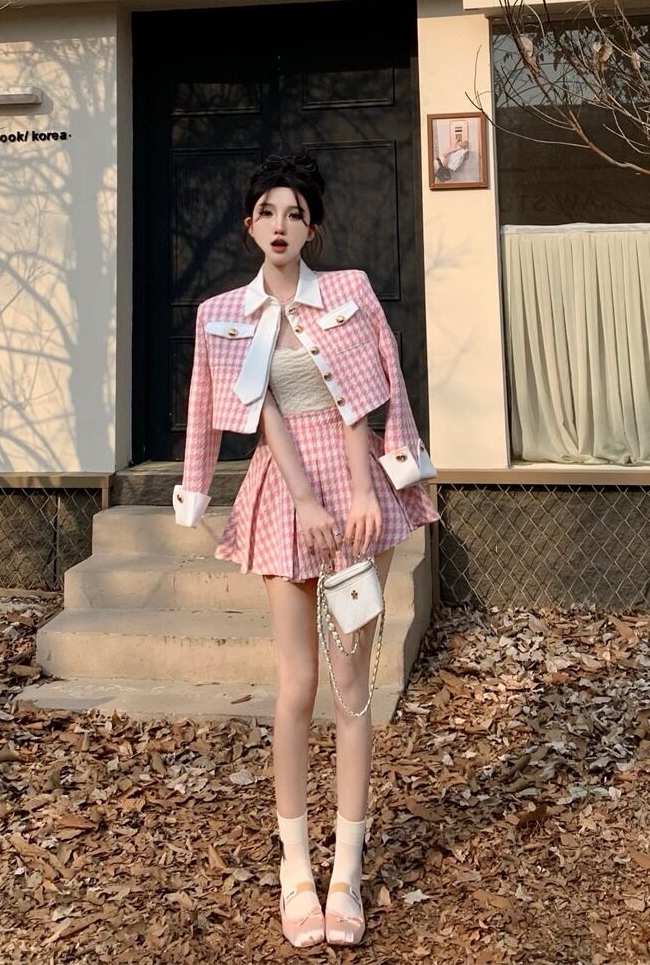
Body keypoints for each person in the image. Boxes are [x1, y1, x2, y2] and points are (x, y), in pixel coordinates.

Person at [172, 154, 440, 948]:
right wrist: (300, 500)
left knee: (352, 688)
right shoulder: (222, 313)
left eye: (294, 212)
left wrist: (362, 491)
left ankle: (346, 875)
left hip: (357, 495)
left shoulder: (349, 292)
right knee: (296, 686)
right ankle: (296, 872)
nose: (280, 224)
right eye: (267, 211)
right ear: (248, 225)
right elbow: (247, 411)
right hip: (283, 492)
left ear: (311, 226)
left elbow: (366, 394)